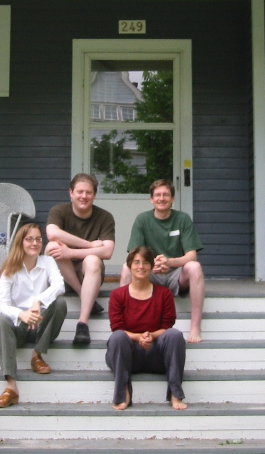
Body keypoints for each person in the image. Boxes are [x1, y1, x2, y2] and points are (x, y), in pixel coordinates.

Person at [0, 222, 67, 408]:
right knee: (0, 321)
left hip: (41, 324)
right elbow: (0, 304)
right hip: (19, 328)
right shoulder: (11, 266)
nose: (35, 243)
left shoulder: (47, 262)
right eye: (29, 239)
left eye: (38, 239)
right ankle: (11, 386)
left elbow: (59, 285)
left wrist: (38, 301)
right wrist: (21, 314)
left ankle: (37, 355)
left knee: (60, 303)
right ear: (21, 242)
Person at [121, 178, 205, 344]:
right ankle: (124, 326)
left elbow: (191, 256)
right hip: (150, 273)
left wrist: (170, 262)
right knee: (126, 267)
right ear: (151, 199)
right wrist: (151, 265)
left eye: (166, 195)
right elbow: (133, 254)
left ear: (172, 199)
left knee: (195, 267)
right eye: (157, 195)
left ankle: (195, 326)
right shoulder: (142, 220)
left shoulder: (183, 219)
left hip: (176, 274)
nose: (161, 198)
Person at [106, 246, 187, 411]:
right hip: (128, 355)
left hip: (156, 353)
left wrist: (150, 336)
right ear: (129, 266)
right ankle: (123, 394)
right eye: (136, 262)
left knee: (175, 335)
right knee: (117, 338)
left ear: (151, 266)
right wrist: (138, 338)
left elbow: (167, 325)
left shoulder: (164, 294)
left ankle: (175, 393)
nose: (140, 267)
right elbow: (117, 327)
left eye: (145, 263)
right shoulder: (117, 295)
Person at [45, 173, 115, 345]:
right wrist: (90, 245)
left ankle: (82, 324)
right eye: (80, 192)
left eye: (88, 192)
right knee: (53, 246)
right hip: (62, 274)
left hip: (89, 274)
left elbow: (107, 252)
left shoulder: (104, 217)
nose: (84, 196)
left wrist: (71, 253)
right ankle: (82, 294)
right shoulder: (59, 211)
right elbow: (52, 233)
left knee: (92, 260)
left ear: (94, 195)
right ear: (71, 193)